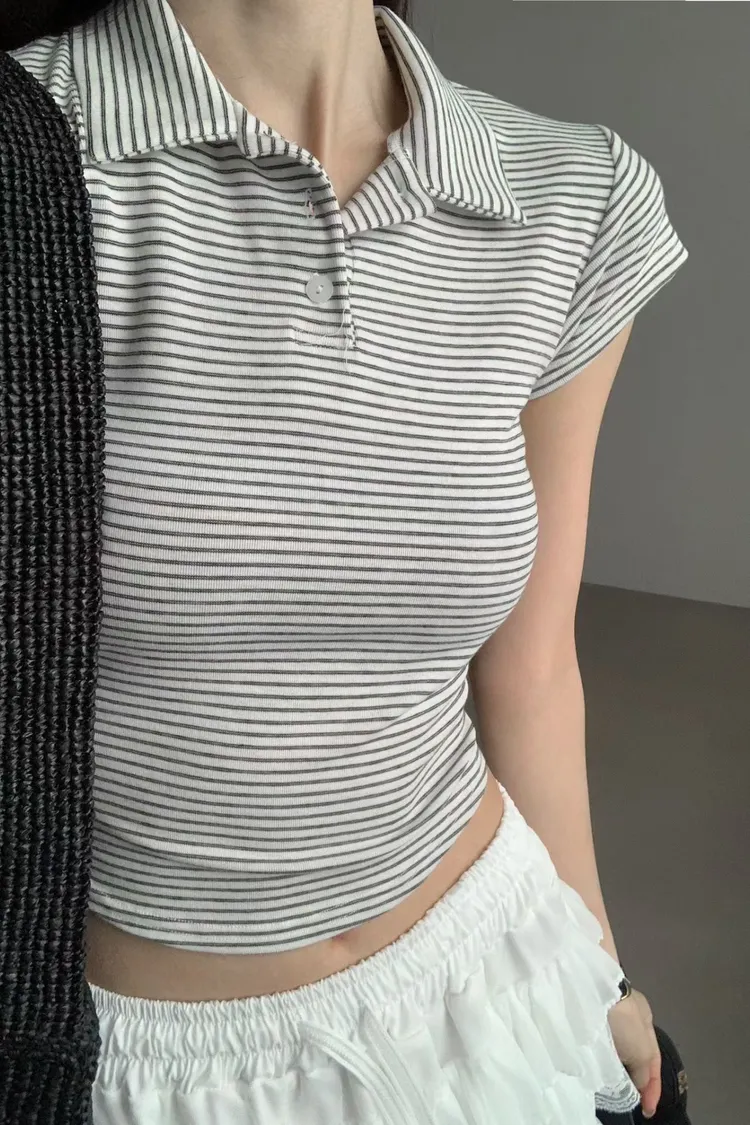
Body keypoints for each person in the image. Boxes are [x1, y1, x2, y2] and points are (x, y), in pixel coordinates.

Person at [0, 1, 688, 1123]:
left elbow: (529, 667)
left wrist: (596, 964)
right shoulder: (28, 162)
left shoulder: (570, 195)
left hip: (498, 976)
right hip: (156, 1064)